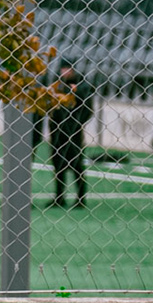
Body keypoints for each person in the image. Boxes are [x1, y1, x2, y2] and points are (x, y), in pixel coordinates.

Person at [47, 64, 92, 208]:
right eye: (63, 69)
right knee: (58, 164)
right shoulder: (57, 85)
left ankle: (80, 198)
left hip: (74, 132)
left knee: (76, 164)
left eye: (67, 69)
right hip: (57, 131)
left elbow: (88, 108)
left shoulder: (82, 86)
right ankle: (59, 196)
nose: (64, 72)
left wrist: (78, 124)